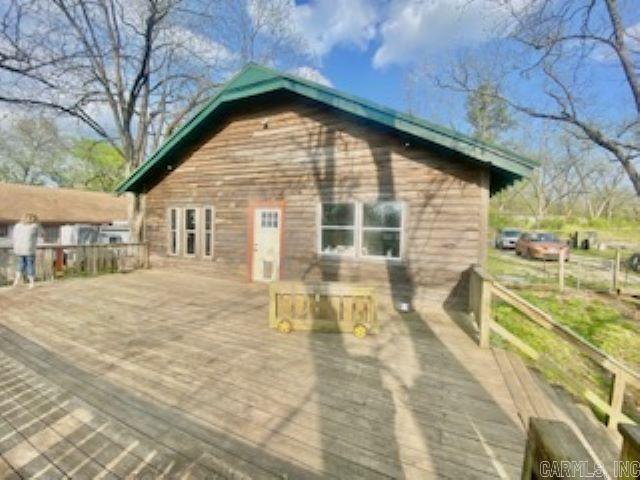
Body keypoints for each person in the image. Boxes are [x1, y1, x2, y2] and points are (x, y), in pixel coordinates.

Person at [12, 213, 41, 289]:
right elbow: (42, 233)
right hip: (29, 249)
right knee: (30, 265)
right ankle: (31, 283)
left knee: (20, 265)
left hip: (18, 249)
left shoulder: (17, 226)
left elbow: (14, 236)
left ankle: (16, 281)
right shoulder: (34, 226)